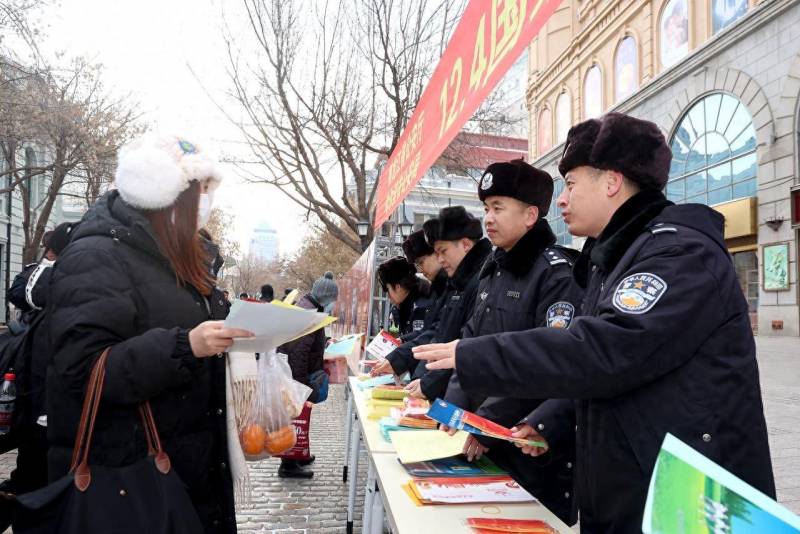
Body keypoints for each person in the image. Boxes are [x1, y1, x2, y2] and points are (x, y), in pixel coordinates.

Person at [414, 112, 776, 532]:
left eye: (570, 184)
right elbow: (608, 372)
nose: (562, 200)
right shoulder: (617, 259)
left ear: (611, 182)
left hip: (688, 504)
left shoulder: (678, 255)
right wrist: (546, 422)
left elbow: (602, 350)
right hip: (633, 487)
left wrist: (471, 354)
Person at [45, 134, 254, 534]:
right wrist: (185, 345)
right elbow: (82, 369)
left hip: (189, 467)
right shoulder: (96, 256)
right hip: (129, 477)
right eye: (200, 192)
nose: (207, 203)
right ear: (164, 195)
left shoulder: (182, 255)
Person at [444, 159, 581, 525]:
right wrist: (455, 408)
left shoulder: (556, 275)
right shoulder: (495, 268)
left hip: (527, 444)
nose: (488, 218)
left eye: (498, 208)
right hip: (482, 437)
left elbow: (546, 365)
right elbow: (471, 342)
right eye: (486, 208)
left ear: (530, 215)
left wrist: (483, 423)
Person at [395, 206, 491, 401]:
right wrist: (422, 379)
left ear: (465, 244)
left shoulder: (481, 280)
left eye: (443, 251)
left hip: (464, 398)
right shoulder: (457, 282)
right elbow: (440, 335)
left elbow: (465, 346)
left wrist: (427, 384)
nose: (440, 259)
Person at [275, 273, 338, 479]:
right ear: (325, 297)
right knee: (294, 419)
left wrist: (325, 341)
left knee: (299, 420)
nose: (333, 305)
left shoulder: (309, 309)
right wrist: (301, 388)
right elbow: (298, 353)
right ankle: (288, 464)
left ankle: (298, 454)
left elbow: (307, 345)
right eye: (333, 300)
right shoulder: (306, 316)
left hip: (296, 374)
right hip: (295, 376)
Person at [371, 230, 448, 398]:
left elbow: (433, 337)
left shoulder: (425, 303)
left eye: (421, 262)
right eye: (417, 265)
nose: (420, 269)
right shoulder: (435, 291)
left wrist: (403, 360)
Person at [376, 256, 431, 339]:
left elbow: (422, 342)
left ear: (398, 287)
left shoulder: (422, 308)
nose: (388, 296)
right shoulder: (399, 308)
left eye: (387, 289)